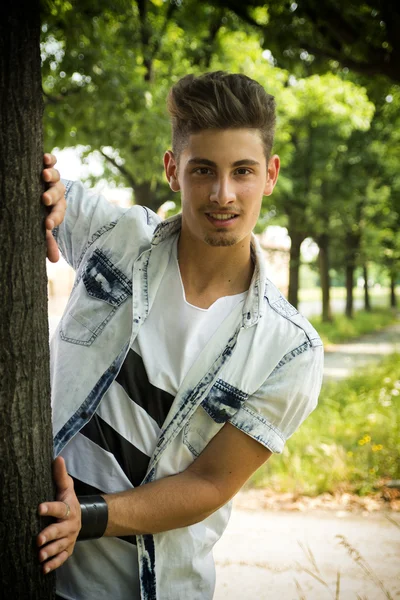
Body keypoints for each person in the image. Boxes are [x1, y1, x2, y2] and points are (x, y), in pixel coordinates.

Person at [38, 71, 323, 600]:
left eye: (243, 171)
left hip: (155, 588)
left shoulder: (290, 350)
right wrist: (44, 184)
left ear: (270, 174)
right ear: (173, 169)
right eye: (203, 171)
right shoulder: (119, 237)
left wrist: (88, 517)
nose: (223, 194)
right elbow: (44, 186)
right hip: (33, 568)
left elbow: (211, 483)